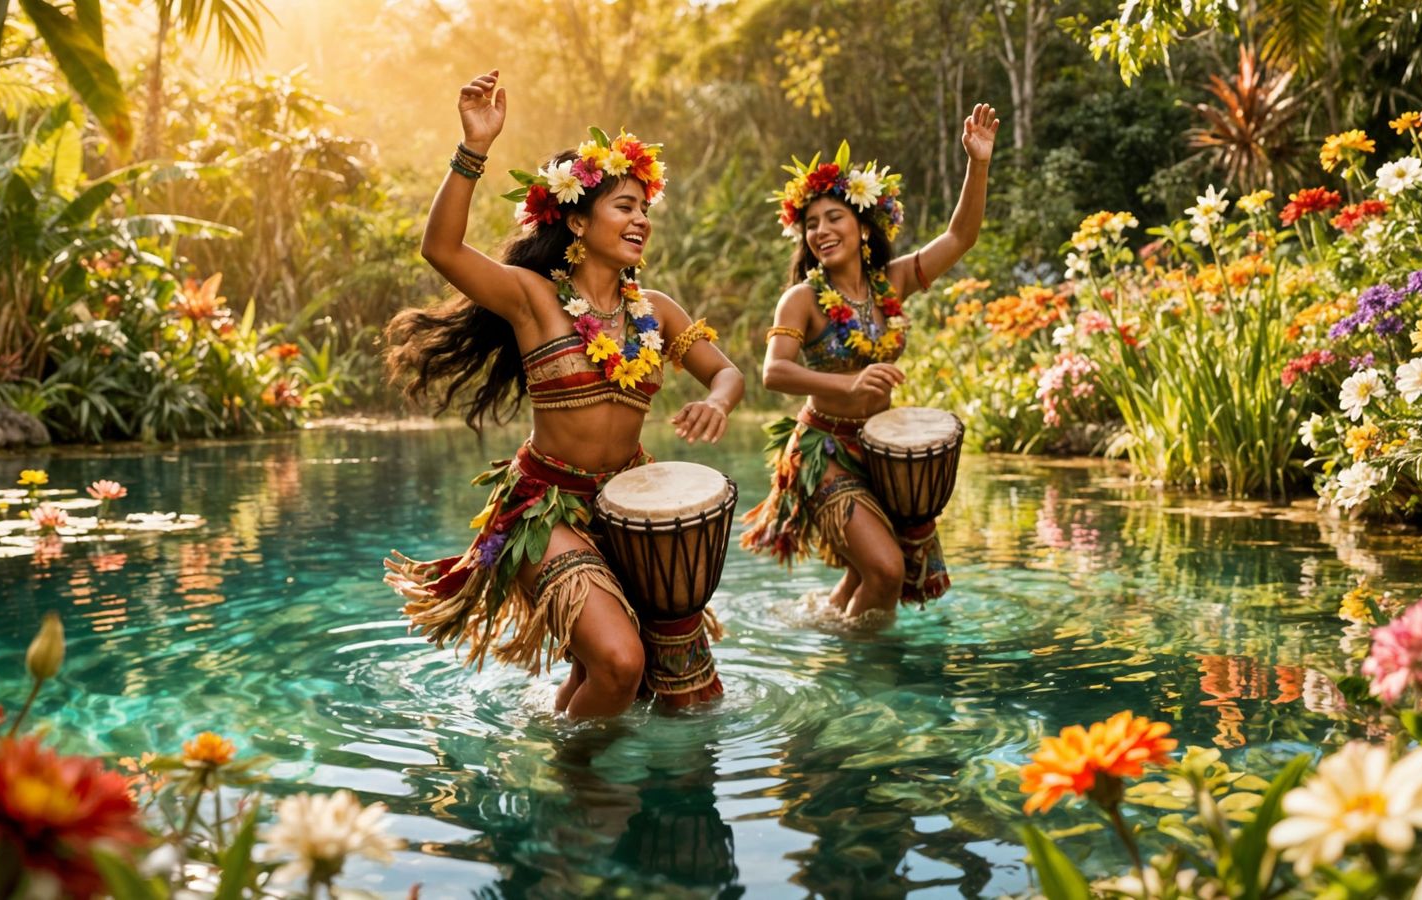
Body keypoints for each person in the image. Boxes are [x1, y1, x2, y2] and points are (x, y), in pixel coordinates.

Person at [383, 70, 744, 716]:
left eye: (644, 209)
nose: (640, 221)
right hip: (543, 509)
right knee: (621, 661)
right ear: (577, 220)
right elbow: (440, 248)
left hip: (626, 513)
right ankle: (574, 797)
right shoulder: (534, 301)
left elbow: (728, 372)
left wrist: (716, 400)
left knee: (647, 685)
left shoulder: (657, 312)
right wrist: (475, 148)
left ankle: (570, 766)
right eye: (624, 207)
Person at [741, 104, 999, 620]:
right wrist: (850, 383)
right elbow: (774, 373)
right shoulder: (802, 299)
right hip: (825, 449)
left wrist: (979, 164)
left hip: (882, 450)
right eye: (811, 224)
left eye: (834, 217)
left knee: (867, 572)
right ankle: (866, 683)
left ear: (864, 228)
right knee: (884, 570)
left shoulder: (894, 281)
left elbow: (960, 238)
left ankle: (829, 628)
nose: (821, 230)